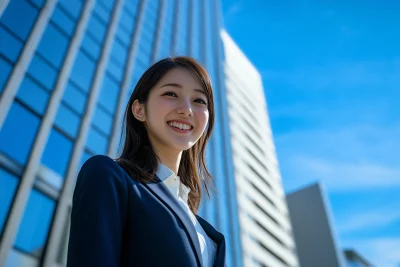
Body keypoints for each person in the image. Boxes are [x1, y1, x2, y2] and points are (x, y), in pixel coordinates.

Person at [67, 56, 226, 267]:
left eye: (199, 100)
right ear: (139, 110)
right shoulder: (108, 176)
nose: (187, 109)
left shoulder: (208, 235)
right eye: (171, 93)